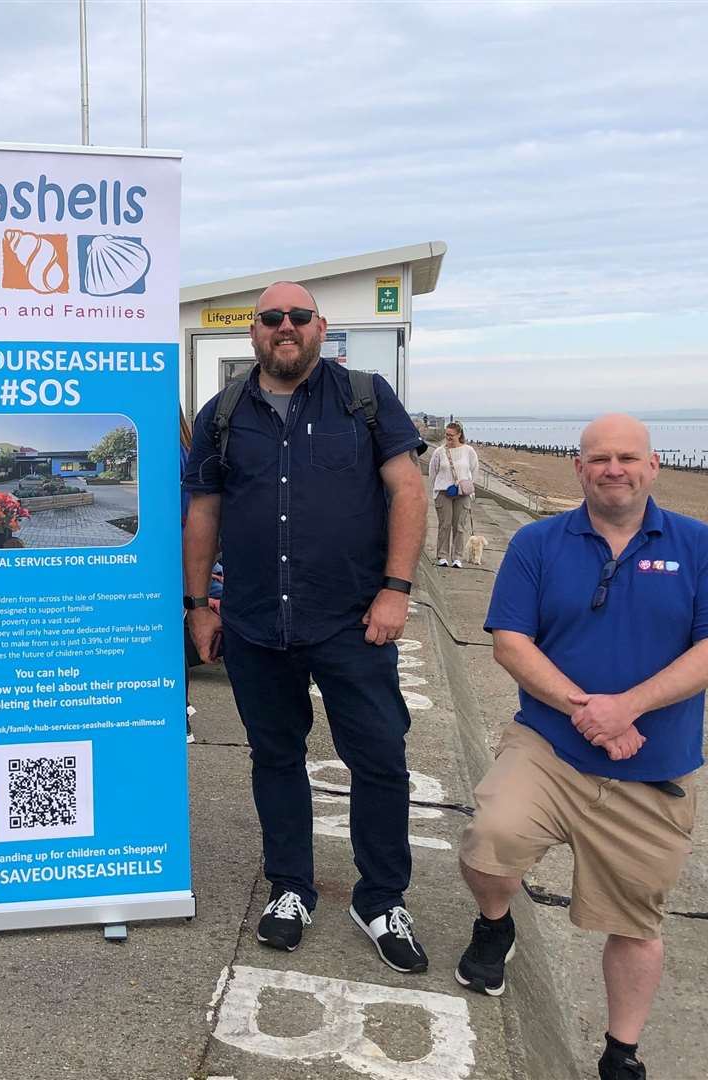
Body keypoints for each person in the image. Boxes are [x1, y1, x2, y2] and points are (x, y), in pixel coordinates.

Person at [458, 413, 708, 1080]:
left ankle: (621, 1051)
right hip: (548, 746)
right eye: (597, 458)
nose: (611, 469)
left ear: (652, 466)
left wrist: (628, 708)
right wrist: (586, 710)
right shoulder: (536, 543)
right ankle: (494, 922)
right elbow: (509, 642)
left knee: (636, 919)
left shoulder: (697, 545)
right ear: (577, 467)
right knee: (487, 842)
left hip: (651, 768)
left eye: (625, 457)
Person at [183, 281, 431, 969]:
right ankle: (290, 886)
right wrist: (197, 604)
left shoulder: (365, 396)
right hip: (258, 623)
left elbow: (407, 490)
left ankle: (380, 899)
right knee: (275, 758)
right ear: (253, 333)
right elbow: (202, 512)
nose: (283, 327)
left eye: (296, 317)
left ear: (319, 327)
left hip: (353, 621)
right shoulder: (223, 412)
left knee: (379, 761)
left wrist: (395, 590)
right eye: (270, 319)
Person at [428, 420, 479, 567]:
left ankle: (457, 557)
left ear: (459, 434)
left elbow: (475, 471)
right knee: (445, 525)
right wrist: (435, 490)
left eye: (451, 435)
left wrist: (469, 487)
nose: (448, 437)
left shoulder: (469, 451)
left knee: (460, 526)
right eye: (447, 435)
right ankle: (442, 556)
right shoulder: (439, 452)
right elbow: (433, 472)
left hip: (462, 493)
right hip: (443, 492)